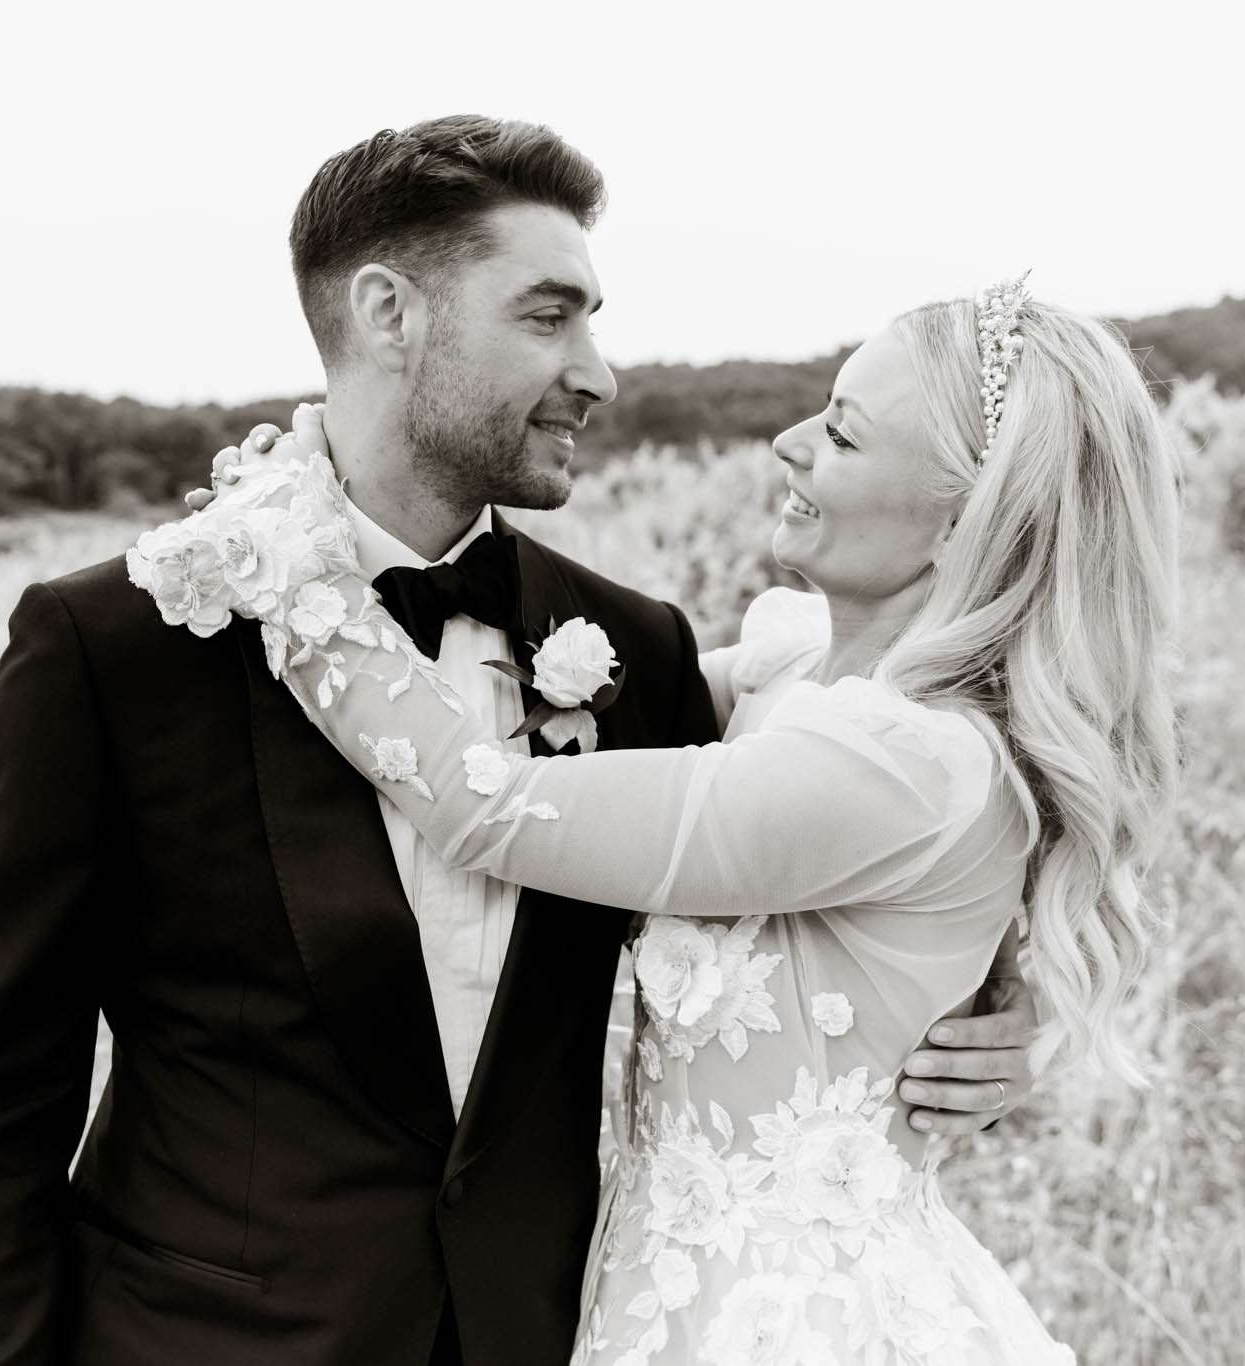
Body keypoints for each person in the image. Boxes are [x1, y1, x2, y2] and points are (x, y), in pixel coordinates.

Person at [0, 115, 1036, 1366]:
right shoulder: (117, 641)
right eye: (548, 319)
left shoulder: (637, 650)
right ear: (390, 313)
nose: (597, 371)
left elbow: (870, 869)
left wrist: (988, 1021)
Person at [165, 268, 1180, 1361]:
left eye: (840, 436)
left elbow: (486, 799)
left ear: (963, 522)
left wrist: (284, 553)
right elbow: (623, 724)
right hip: (661, 1279)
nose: (787, 444)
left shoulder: (897, 761)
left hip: (784, 1317)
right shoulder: (803, 673)